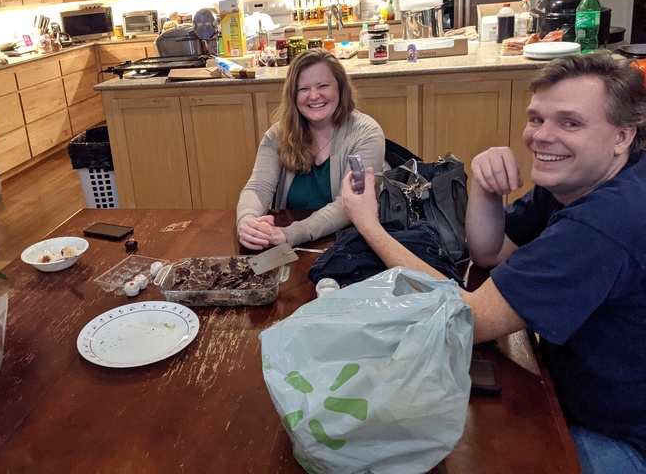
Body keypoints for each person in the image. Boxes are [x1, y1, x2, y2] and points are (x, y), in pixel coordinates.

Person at [339, 54, 646, 473]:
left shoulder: (603, 223)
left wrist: (368, 224)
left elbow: (468, 318)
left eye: (570, 123)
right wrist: (483, 189)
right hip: (582, 399)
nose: (541, 137)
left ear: (622, 136)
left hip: (621, 437)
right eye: (536, 119)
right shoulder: (588, 178)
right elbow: (490, 252)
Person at [237, 48, 385, 249]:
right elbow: (258, 188)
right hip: (290, 245)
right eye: (303, 89)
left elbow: (349, 205)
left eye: (323, 86)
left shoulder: (365, 134)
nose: (314, 96)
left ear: (340, 89)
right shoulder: (277, 135)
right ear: (293, 95)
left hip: (348, 245)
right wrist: (247, 222)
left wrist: (291, 234)